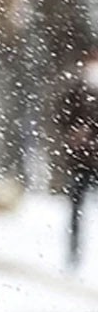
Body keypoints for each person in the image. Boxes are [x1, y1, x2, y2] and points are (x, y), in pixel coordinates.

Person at [59, 51, 98, 269]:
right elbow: (61, 116)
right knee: (76, 207)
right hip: (80, 161)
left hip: (91, 158)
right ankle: (73, 252)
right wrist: (74, 132)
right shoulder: (75, 91)